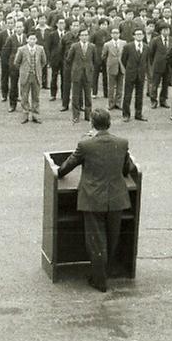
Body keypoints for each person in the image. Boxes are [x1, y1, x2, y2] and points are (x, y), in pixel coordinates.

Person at [57, 107, 133, 292]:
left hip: (93, 199)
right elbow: (126, 169)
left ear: (92, 124)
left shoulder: (86, 145)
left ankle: (99, 281)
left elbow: (65, 168)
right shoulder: (122, 143)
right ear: (109, 123)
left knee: (97, 241)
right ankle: (106, 272)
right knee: (112, 238)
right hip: (116, 198)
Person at [14, 33, 47, 124]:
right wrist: (23, 70)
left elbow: (44, 62)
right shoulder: (21, 50)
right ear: (27, 40)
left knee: (36, 96)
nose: (32, 41)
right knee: (24, 96)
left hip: (36, 76)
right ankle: (25, 114)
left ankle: (35, 114)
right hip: (26, 76)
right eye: (30, 39)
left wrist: (37, 70)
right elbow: (17, 62)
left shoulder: (40, 49)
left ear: (36, 40)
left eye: (34, 39)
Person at [67, 29, 96, 123]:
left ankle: (88, 115)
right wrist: (75, 69)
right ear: (79, 36)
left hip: (88, 74)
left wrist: (90, 69)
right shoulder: (74, 46)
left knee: (88, 95)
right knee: (75, 96)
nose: (84, 37)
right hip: (77, 74)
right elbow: (69, 59)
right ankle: (76, 115)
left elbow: (95, 60)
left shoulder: (92, 46)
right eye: (82, 35)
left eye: (86, 35)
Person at [120, 28, 149, 122]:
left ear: (143, 36)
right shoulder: (128, 47)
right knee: (127, 95)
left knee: (139, 95)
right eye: (137, 34)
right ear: (133, 36)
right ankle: (126, 114)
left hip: (141, 74)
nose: (139, 36)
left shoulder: (146, 47)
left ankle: (138, 114)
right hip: (130, 74)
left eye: (141, 34)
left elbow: (147, 60)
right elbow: (124, 59)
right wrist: (129, 69)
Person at [101, 28, 125, 111]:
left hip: (121, 67)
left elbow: (126, 55)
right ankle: (110, 104)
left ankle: (118, 103)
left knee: (120, 87)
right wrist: (109, 63)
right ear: (111, 34)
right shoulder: (107, 44)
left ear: (119, 34)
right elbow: (103, 56)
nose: (115, 34)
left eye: (117, 33)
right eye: (114, 33)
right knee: (110, 87)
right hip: (111, 67)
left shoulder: (124, 43)